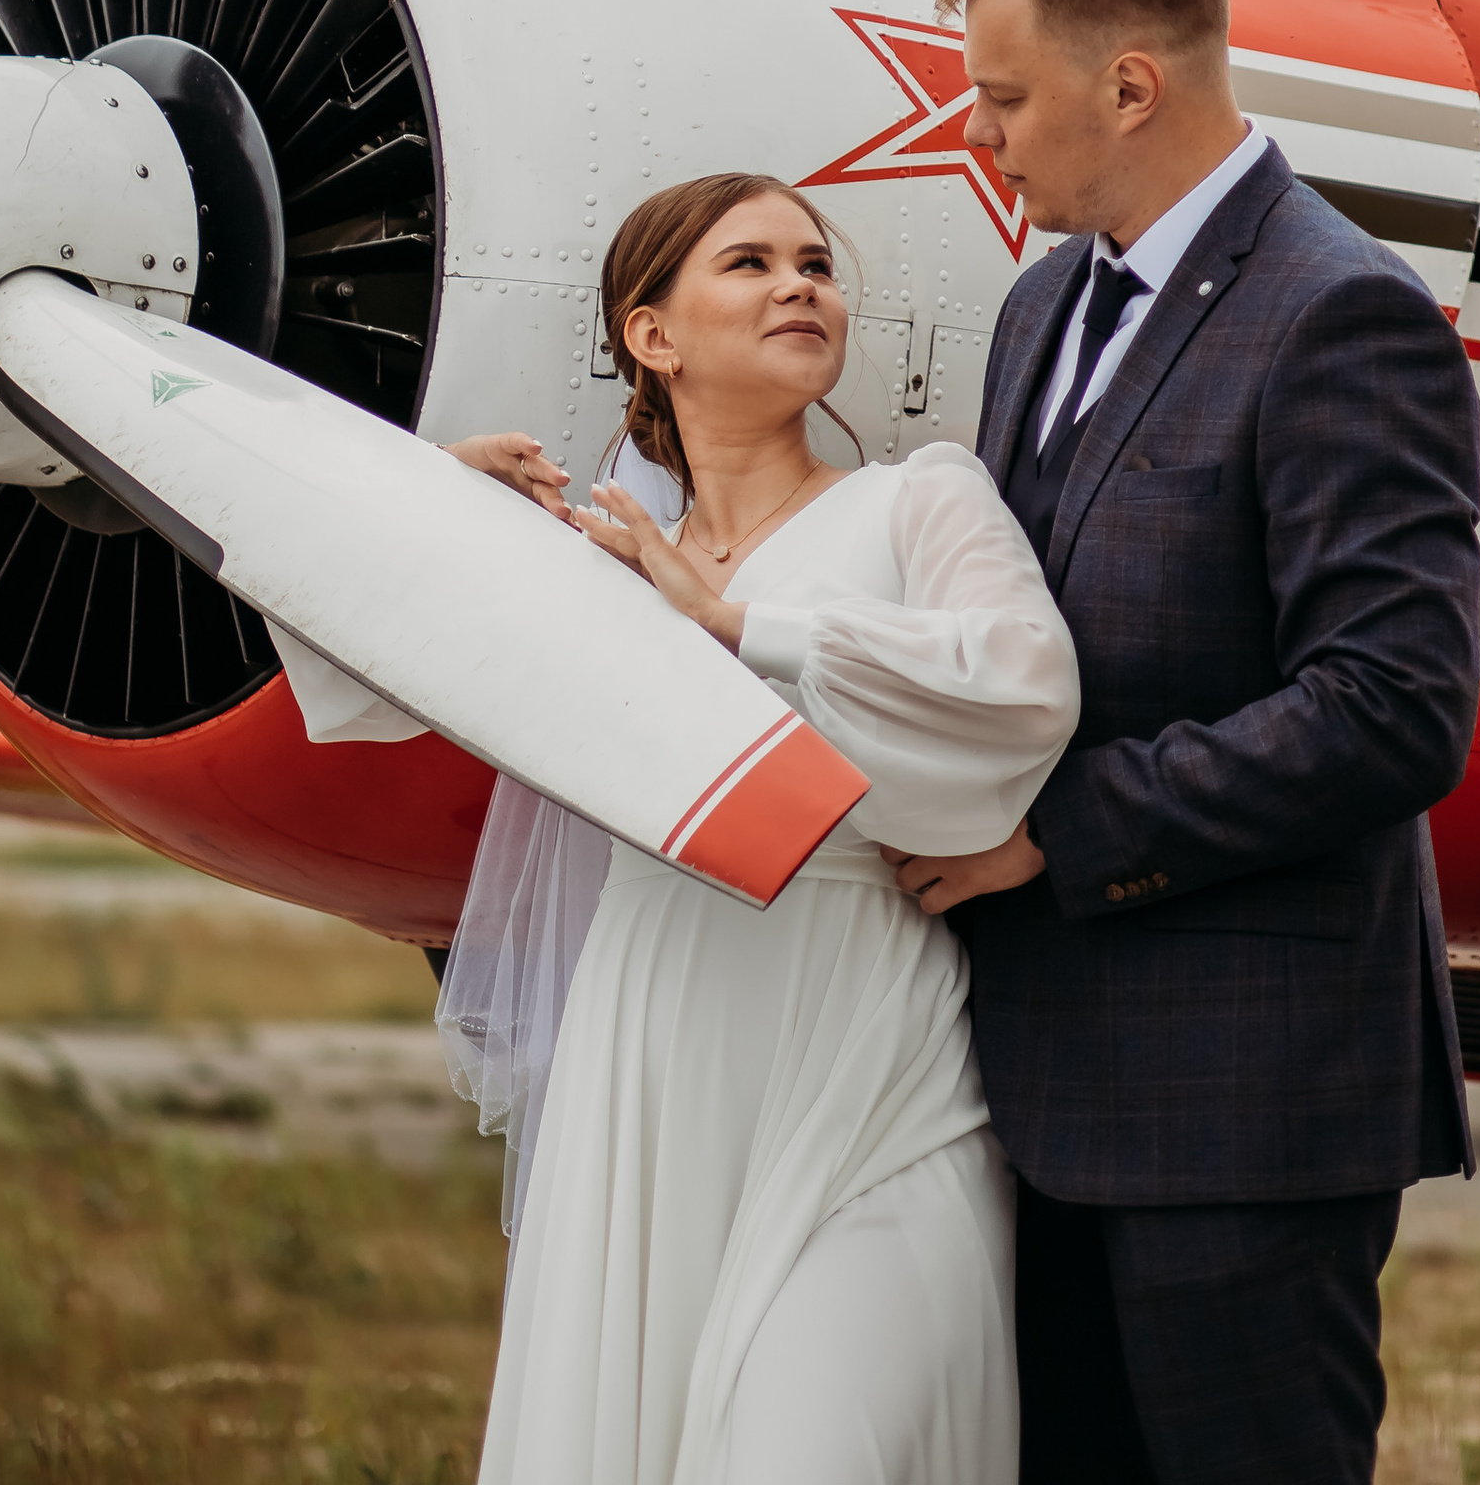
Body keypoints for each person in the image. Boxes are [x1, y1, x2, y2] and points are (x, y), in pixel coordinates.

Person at [885, 0, 1480, 1485]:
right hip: (1033, 1091)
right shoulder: (1039, 306)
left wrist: (1053, 836)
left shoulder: (1343, 312)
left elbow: (1393, 707)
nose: (980, 135)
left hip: (1247, 1106)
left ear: (1131, 84)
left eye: (1005, 97)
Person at [441, 169, 1081, 1485]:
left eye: (816, 265)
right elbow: (358, 664)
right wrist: (430, 499)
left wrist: (740, 626)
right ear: (653, 335)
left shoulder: (919, 501)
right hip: (654, 1046)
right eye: (751, 263)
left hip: (875, 1055)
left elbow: (1025, 690)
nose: (801, 285)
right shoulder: (602, 564)